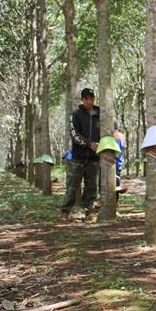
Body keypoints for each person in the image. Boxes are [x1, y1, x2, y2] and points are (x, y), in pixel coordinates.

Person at [60, 87, 101, 222]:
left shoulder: (100, 114)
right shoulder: (75, 115)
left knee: (91, 187)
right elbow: (74, 135)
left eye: (91, 98)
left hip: (93, 158)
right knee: (72, 185)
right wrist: (89, 144)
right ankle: (65, 211)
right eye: (86, 99)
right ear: (82, 100)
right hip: (78, 157)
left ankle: (88, 211)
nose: (89, 101)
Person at [114, 119, 126, 206]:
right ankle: (116, 201)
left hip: (110, 162)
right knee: (117, 182)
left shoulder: (108, 135)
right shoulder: (121, 136)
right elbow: (123, 147)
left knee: (104, 181)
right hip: (119, 162)